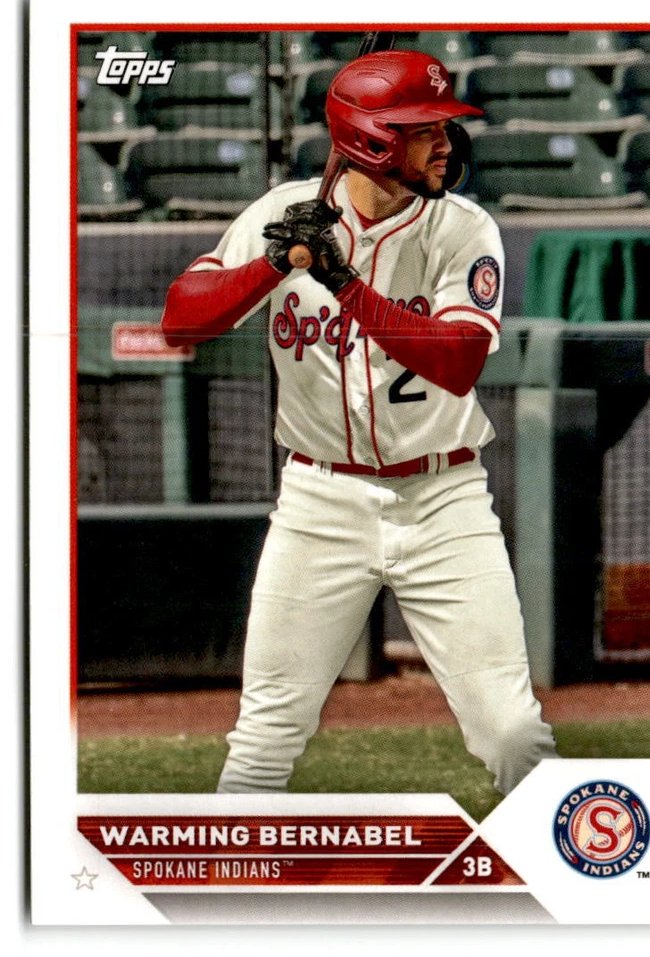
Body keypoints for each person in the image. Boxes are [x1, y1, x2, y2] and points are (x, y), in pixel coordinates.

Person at [162, 49, 557, 797]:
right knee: (264, 737)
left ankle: (578, 867)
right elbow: (182, 320)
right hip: (319, 501)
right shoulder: (285, 213)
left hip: (442, 500)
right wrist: (275, 265)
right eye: (422, 129)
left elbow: (457, 361)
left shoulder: (461, 227)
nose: (444, 143)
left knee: (511, 732)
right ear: (371, 141)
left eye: (441, 125)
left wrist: (341, 281)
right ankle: (229, 873)